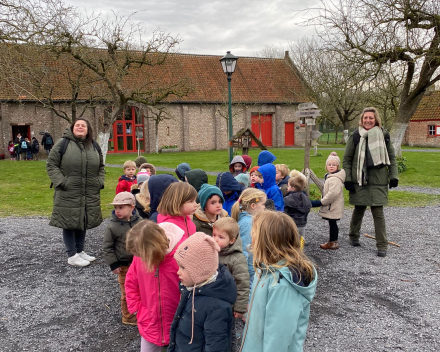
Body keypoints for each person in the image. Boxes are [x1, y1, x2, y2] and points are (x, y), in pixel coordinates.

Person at [240, 212, 317, 352]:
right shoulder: (264, 269)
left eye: (254, 231)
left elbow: (278, 338)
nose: (251, 234)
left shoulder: (283, 285)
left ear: (267, 240)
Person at [46, 118, 105, 267]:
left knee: (83, 219)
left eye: (83, 125)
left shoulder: (94, 146)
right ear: (72, 128)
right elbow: (51, 164)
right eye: (77, 125)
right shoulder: (63, 144)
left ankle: (80, 251)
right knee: (69, 221)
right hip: (68, 191)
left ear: (88, 129)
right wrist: (62, 182)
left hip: (88, 191)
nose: (80, 127)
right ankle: (71, 255)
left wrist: (99, 182)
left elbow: (101, 167)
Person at [343, 107, 398, 257]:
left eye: (371, 118)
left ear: (376, 120)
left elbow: (392, 158)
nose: (368, 120)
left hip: (378, 180)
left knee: (378, 212)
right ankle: (353, 236)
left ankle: (382, 245)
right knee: (359, 209)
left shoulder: (383, 135)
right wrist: (348, 179)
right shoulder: (355, 136)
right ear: (362, 119)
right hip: (359, 179)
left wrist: (394, 176)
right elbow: (347, 160)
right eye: (365, 118)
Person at [168, 232, 237, 352]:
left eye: (183, 267)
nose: (178, 272)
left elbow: (216, 346)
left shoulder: (216, 307)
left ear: (200, 271)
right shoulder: (191, 289)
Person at [125, 220, 187, 352]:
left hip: (178, 320)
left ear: (152, 249)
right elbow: (131, 281)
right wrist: (137, 308)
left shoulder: (181, 256)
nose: (139, 257)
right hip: (150, 321)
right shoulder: (139, 257)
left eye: (140, 254)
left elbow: (193, 287)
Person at [102, 192, 141, 326]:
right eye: (116, 208)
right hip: (123, 266)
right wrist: (113, 264)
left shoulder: (140, 222)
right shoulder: (112, 226)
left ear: (131, 207)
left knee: (141, 289)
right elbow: (108, 246)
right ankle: (128, 316)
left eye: (121, 207)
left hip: (139, 263)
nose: (117, 211)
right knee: (127, 292)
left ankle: (140, 311)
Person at [213, 217, 249, 351]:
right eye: (214, 235)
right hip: (213, 301)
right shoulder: (213, 252)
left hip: (229, 304)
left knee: (229, 331)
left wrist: (239, 307)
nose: (215, 239)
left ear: (232, 240)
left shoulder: (237, 259)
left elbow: (243, 283)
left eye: (221, 237)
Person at [231, 188, 266, 286]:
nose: (264, 208)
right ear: (253, 206)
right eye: (263, 204)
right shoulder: (248, 224)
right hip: (249, 272)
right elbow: (244, 250)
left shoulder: (248, 221)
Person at [319, 152, 346, 250]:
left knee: (333, 223)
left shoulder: (335, 179)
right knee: (332, 223)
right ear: (326, 166)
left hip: (333, 205)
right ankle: (332, 241)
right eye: (329, 165)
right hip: (331, 205)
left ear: (338, 166)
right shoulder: (329, 176)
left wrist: (322, 202)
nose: (331, 166)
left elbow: (333, 193)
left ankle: (333, 242)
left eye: (334, 165)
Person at [284, 176, 312, 248]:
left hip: (291, 224)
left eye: (288, 185)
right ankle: (299, 253)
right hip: (302, 224)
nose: (287, 187)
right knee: (300, 239)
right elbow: (309, 207)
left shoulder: (288, 198)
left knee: (289, 241)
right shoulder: (305, 198)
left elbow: (285, 211)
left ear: (293, 188)